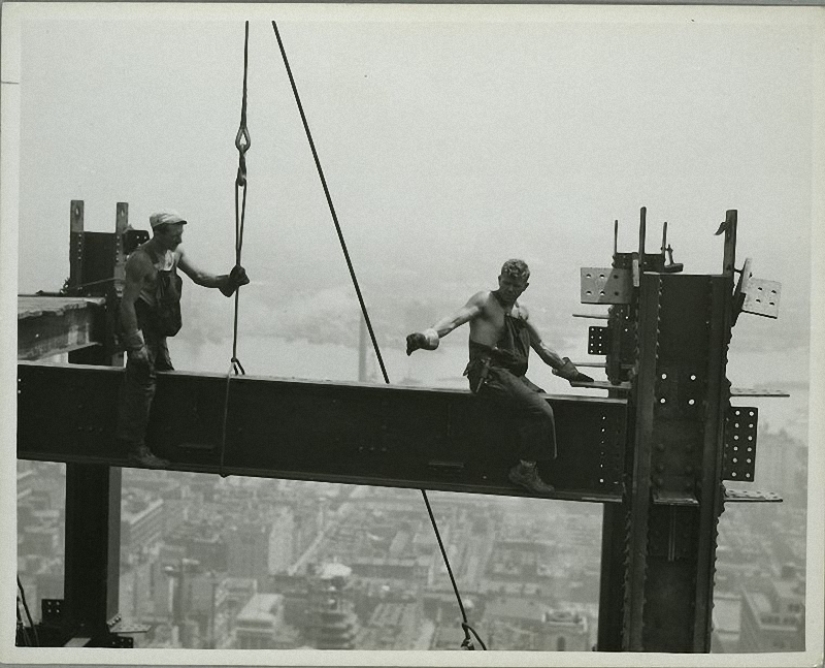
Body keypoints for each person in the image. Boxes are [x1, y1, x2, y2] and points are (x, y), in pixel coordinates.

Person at [406, 259, 592, 495]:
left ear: (525, 286)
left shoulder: (521, 313)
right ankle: (524, 470)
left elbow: (542, 347)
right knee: (541, 410)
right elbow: (454, 320)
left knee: (545, 402)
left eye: (516, 285)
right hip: (488, 373)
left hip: (509, 376)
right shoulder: (485, 301)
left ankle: (522, 458)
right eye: (506, 283)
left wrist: (570, 372)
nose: (510, 289)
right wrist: (427, 336)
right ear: (498, 280)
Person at [116, 210, 250, 468]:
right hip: (144, 331)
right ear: (159, 233)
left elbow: (200, 277)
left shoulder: (173, 255)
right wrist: (135, 344)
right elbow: (127, 304)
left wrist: (228, 280)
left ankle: (158, 440)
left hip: (158, 329)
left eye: (180, 234)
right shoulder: (140, 260)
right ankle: (135, 447)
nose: (179, 240)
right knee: (142, 384)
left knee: (163, 378)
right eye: (175, 235)